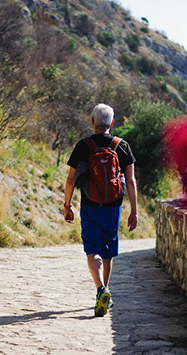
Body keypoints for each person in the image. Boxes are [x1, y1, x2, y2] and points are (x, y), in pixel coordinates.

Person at [63, 103, 138, 317]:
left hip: (89, 204)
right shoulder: (122, 146)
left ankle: (100, 290)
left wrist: (67, 206)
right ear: (112, 123)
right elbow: (131, 181)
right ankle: (106, 291)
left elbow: (70, 180)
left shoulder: (83, 146)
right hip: (114, 206)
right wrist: (134, 211)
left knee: (92, 250)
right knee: (107, 251)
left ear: (92, 122)